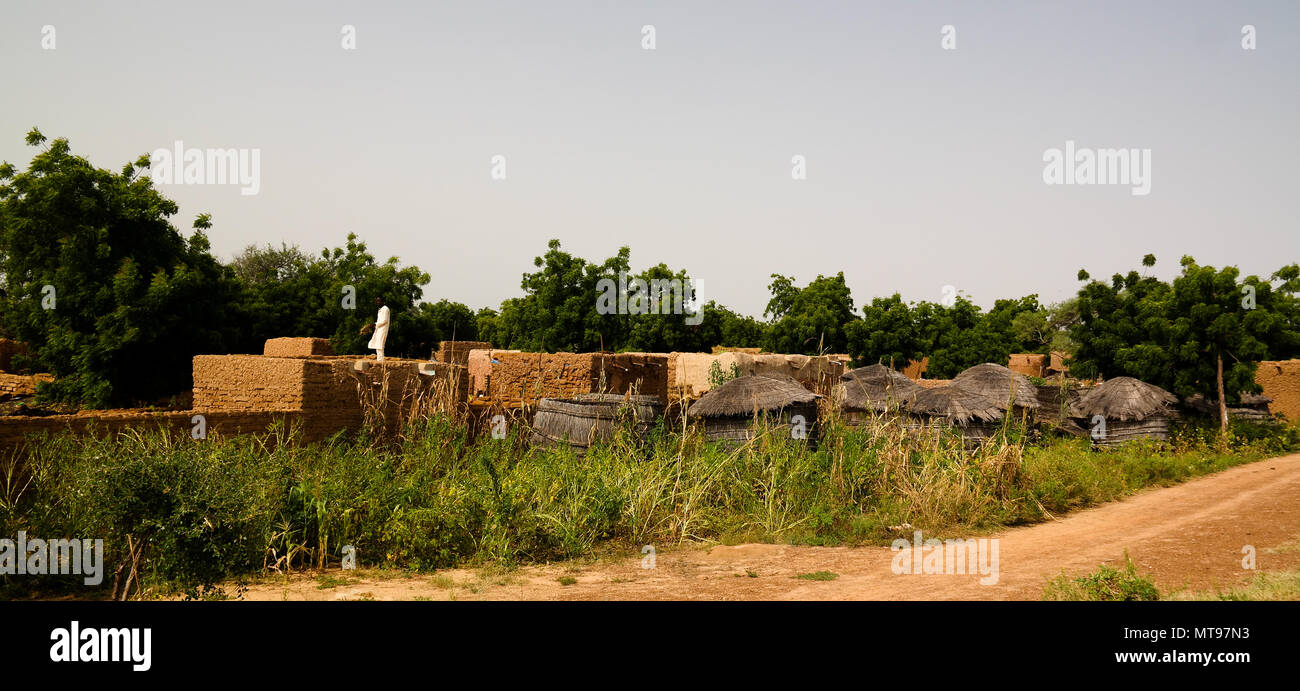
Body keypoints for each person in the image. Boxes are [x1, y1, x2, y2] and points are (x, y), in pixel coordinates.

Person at [360, 296, 390, 361]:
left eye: (379, 301)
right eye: (377, 301)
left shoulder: (385, 309)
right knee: (377, 344)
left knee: (380, 344)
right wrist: (373, 325)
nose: (377, 303)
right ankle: (379, 359)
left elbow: (384, 321)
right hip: (379, 329)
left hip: (383, 329)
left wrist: (374, 324)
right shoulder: (380, 309)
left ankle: (380, 360)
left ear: (383, 302)